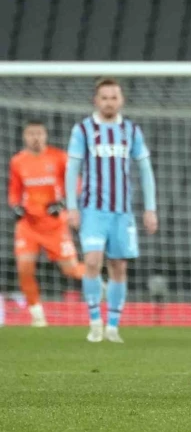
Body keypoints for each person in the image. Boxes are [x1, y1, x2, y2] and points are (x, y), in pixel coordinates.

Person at [65, 78, 158, 343]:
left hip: (122, 213)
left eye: (113, 97)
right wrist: (72, 207)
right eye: (104, 97)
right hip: (92, 210)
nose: (109, 102)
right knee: (92, 262)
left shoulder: (131, 130)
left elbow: (145, 170)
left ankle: (113, 326)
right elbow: (72, 170)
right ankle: (95, 321)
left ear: (121, 100)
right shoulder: (83, 129)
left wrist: (150, 208)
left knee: (118, 266)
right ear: (96, 100)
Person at [8, 121, 85, 327]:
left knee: (71, 270)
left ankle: (96, 278)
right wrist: (15, 206)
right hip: (28, 225)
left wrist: (62, 203)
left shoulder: (58, 157)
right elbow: (14, 190)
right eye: (31, 133)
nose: (35, 138)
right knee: (24, 269)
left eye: (39, 133)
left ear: (45, 135)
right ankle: (37, 316)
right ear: (24, 136)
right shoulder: (18, 161)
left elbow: (76, 184)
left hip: (54, 224)